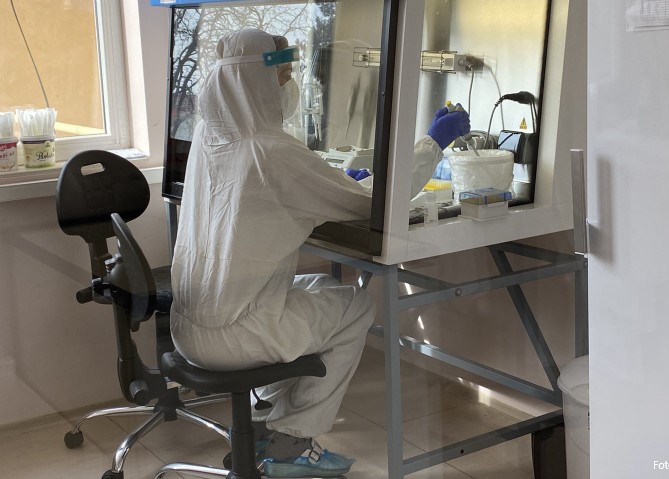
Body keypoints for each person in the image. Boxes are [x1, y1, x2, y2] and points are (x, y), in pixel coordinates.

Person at [170, 29, 470, 478]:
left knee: (322, 285)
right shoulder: (271, 150)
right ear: (256, 82)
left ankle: (264, 421)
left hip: (189, 325)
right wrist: (432, 142)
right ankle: (293, 441)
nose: (288, 85)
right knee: (356, 307)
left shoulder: (209, 139)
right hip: (234, 336)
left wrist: (341, 184)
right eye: (282, 76)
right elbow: (377, 204)